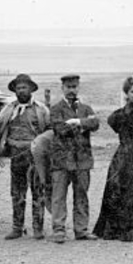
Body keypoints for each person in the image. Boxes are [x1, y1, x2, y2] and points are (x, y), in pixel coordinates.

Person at [0, 74, 51, 240]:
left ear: (31, 89)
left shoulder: (41, 110)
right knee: (17, 193)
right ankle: (17, 228)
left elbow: (49, 132)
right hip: (16, 155)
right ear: (14, 90)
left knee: (38, 192)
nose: (21, 90)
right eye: (18, 87)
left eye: (24, 87)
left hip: (35, 156)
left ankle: (38, 228)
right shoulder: (9, 109)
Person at [93, 76, 133, 242]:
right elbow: (111, 122)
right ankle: (118, 229)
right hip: (123, 155)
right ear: (126, 94)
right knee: (118, 189)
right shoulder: (120, 114)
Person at [48, 74, 100, 243]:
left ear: (78, 88)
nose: (72, 90)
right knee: (59, 196)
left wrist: (76, 121)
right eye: (68, 87)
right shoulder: (56, 109)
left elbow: (96, 124)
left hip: (82, 160)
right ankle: (58, 230)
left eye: (74, 87)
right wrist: (82, 124)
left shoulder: (86, 108)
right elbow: (60, 128)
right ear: (62, 88)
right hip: (62, 161)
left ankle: (81, 230)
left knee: (82, 195)